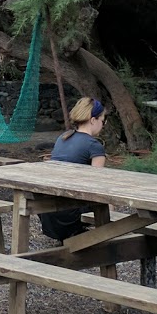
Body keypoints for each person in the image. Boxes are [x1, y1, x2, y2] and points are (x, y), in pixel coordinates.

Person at [39, 96, 108, 241]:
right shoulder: (94, 146)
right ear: (93, 120)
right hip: (70, 216)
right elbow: (98, 187)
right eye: (103, 120)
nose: (103, 125)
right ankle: (106, 234)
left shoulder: (63, 137)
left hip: (48, 212)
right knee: (108, 198)